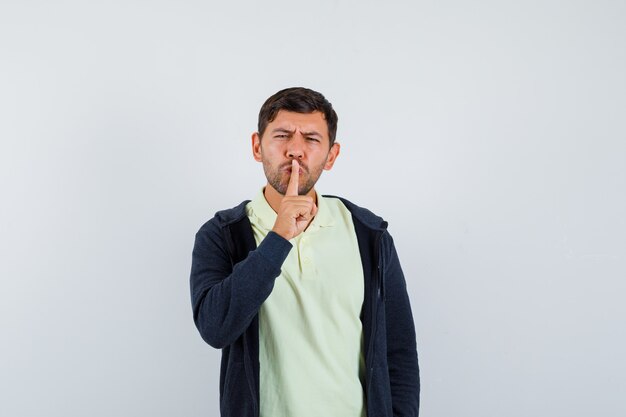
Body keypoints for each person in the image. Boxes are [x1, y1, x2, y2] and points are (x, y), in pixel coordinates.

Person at [190, 87, 420, 417]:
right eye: (282, 135)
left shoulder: (369, 234)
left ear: (331, 155)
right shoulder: (223, 235)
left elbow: (398, 351)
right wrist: (279, 235)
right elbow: (215, 328)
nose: (295, 150)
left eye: (311, 139)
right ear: (257, 147)